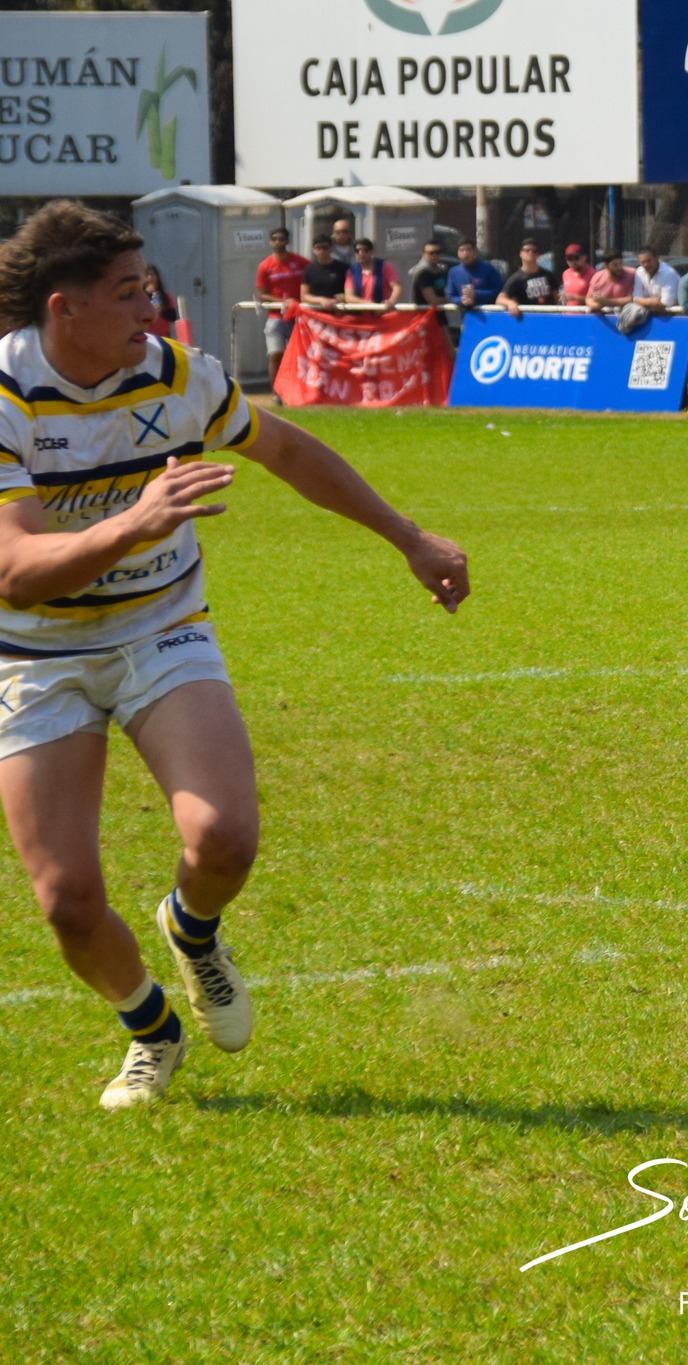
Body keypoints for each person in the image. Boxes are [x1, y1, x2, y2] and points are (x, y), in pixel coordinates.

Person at [0, 203, 471, 1110]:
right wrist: (134, 521)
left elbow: (286, 448)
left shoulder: (179, 376)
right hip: (33, 654)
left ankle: (193, 929)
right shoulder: (6, 397)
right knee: (65, 901)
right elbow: (17, 575)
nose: (155, 309)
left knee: (223, 838)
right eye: (130, 295)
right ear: (64, 309)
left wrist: (408, 537)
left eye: (151, 287)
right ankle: (151, 1028)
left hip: (159, 628)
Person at [253, 228, 308, 387]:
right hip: (276, 317)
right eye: (275, 239)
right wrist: (282, 302)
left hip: (298, 316)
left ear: (287, 241)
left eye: (281, 239)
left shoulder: (300, 262)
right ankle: (276, 391)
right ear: (270, 242)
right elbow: (262, 294)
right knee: (275, 354)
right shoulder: (265, 266)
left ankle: (297, 389)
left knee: (298, 355)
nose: (278, 242)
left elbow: (312, 280)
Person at [499, 239, 559, 320]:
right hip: (528, 320)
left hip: (549, 318)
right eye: (527, 250)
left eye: (535, 251)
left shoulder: (548, 275)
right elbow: (500, 298)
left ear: (538, 255)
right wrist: (510, 303)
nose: (531, 253)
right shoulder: (516, 279)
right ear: (521, 254)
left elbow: (557, 298)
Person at [444, 239, 502, 311]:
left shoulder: (488, 269)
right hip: (466, 316)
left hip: (488, 314)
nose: (465, 254)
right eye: (461, 250)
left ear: (475, 252)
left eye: (468, 250)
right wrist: (461, 300)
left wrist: (476, 294)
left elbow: (500, 292)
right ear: (458, 254)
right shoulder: (454, 272)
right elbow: (450, 296)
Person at [343, 240, 400, 311]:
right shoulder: (352, 271)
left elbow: (396, 287)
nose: (361, 253)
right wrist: (370, 304)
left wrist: (391, 301)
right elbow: (349, 297)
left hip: (382, 314)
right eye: (357, 251)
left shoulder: (384, 266)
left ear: (371, 251)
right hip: (360, 316)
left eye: (365, 250)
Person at [298, 237, 349, 313]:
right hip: (315, 314)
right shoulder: (309, 269)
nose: (322, 251)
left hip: (338, 313)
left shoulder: (343, 268)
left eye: (325, 247)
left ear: (331, 249)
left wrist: (337, 300)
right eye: (318, 248)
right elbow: (304, 296)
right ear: (314, 250)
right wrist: (321, 300)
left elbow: (351, 293)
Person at [632, 247, 682, 313]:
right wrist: (653, 301)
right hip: (650, 315)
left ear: (657, 258)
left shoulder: (668, 273)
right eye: (643, 262)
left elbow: (666, 303)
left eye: (649, 261)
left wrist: (643, 301)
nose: (646, 264)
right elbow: (636, 298)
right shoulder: (639, 272)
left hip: (674, 316)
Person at [410, 241, 451, 309]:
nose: (434, 256)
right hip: (425, 315)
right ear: (423, 254)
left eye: (437, 253)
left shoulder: (442, 270)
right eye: (431, 253)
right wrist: (453, 300)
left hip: (440, 313)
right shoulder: (423, 273)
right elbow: (433, 300)